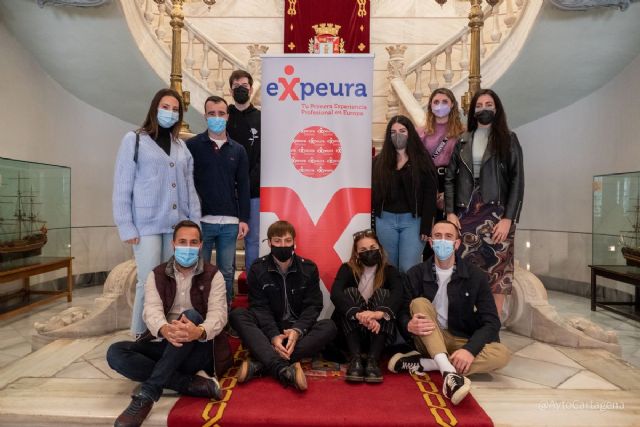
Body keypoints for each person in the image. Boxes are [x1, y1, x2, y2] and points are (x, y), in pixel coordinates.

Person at [107, 220, 227, 427]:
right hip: (167, 343)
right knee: (116, 352)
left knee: (191, 315)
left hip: (199, 348)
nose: (187, 247)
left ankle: (147, 394)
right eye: (182, 242)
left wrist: (198, 331)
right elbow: (151, 310)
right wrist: (164, 329)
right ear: (173, 244)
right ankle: (189, 384)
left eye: (193, 242)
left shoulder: (213, 275)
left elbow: (219, 315)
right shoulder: (157, 274)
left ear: (200, 245)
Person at [389, 220, 510, 405]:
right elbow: (402, 310)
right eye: (438, 236)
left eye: (448, 237)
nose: (443, 241)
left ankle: (428, 364)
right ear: (431, 242)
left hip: (461, 338)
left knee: (502, 354)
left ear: (457, 243)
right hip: (428, 337)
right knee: (419, 303)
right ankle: (449, 373)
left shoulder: (475, 275)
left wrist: (469, 350)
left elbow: (492, 321)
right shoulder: (415, 273)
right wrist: (408, 325)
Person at [113, 88, 201, 338]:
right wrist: (126, 225)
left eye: (175, 109)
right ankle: (140, 333)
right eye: (165, 107)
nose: (170, 113)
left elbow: (190, 189)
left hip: (176, 226)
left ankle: (164, 331)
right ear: (154, 108)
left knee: (170, 280)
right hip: (146, 225)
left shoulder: (181, 147)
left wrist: (194, 224)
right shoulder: (135, 140)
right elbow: (122, 185)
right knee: (148, 280)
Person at [444, 89, 524, 319]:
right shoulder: (462, 140)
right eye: (479, 105)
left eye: (489, 104)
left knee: (498, 272)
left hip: (497, 214)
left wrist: (509, 218)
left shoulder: (509, 139)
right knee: (465, 270)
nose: (484, 109)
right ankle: (466, 323)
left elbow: (517, 180)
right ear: (473, 111)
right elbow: (449, 179)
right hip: (466, 213)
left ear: (496, 109)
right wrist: (450, 213)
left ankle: (491, 326)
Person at [229, 220, 337, 391]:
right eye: (277, 241)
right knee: (238, 315)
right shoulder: (258, 268)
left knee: (329, 326)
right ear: (269, 242)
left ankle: (262, 364)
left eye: (287, 241)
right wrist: (273, 336)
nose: (283, 245)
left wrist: (297, 330)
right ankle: (282, 368)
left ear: (294, 242)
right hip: (269, 329)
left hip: (297, 330)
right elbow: (259, 307)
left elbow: (313, 305)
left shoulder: (308, 268)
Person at [186, 95, 250, 306]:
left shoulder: (238, 150)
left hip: (230, 223)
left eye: (221, 113)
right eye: (212, 113)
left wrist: (244, 218)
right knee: (198, 271)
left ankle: (225, 313)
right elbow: (186, 182)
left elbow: (243, 185)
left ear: (227, 116)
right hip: (201, 221)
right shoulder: (192, 146)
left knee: (227, 272)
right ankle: (199, 311)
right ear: (205, 116)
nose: (216, 117)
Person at [330, 229, 404, 383]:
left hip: (378, 333)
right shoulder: (347, 269)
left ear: (380, 249)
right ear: (357, 254)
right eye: (363, 250)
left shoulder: (390, 271)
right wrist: (358, 314)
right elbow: (335, 293)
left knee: (384, 294)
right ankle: (355, 359)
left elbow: (398, 295)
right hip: (351, 332)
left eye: (372, 248)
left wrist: (378, 314)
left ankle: (373, 360)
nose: (369, 252)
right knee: (349, 292)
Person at [372, 115, 438, 272]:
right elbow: (374, 193)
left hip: (413, 221)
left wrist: (426, 226)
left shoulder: (423, 160)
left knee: (408, 267)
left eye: (402, 131)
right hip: (385, 221)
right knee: (389, 268)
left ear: (410, 133)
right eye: (393, 132)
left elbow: (430, 195)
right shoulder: (379, 162)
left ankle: (409, 290)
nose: (398, 135)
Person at [226, 70, 261, 271]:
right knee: (228, 238)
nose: (241, 89)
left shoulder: (260, 118)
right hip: (228, 190)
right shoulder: (224, 116)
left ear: (251, 89)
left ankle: (252, 282)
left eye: (245, 86)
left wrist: (248, 182)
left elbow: (263, 154)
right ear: (231, 90)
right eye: (237, 86)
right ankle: (226, 285)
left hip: (254, 190)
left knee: (253, 239)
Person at [418, 88, 465, 218]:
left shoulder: (462, 132)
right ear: (430, 105)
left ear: (452, 104)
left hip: (453, 179)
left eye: (445, 101)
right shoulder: (421, 133)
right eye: (436, 102)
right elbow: (417, 163)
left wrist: (451, 191)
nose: (440, 105)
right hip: (428, 179)